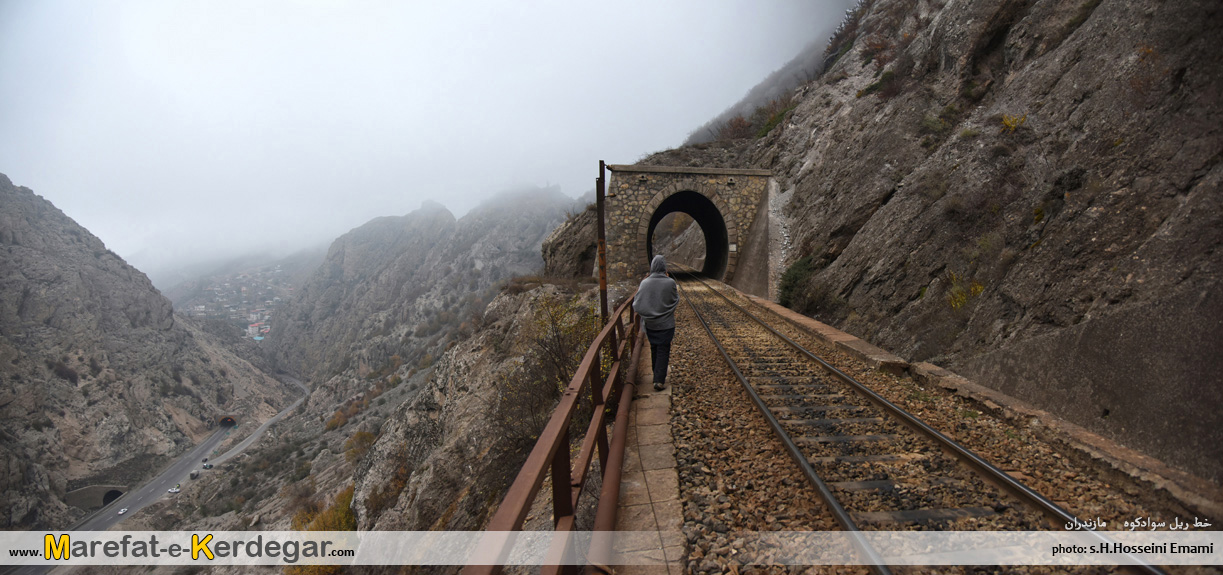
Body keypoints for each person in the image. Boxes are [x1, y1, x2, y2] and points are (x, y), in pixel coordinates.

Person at [633, 255, 679, 391]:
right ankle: (659, 380)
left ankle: (656, 375)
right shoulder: (670, 282)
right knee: (663, 349)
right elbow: (675, 300)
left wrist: (648, 314)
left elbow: (636, 304)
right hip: (667, 324)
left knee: (654, 347)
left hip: (650, 324)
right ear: (664, 267)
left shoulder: (645, 283)